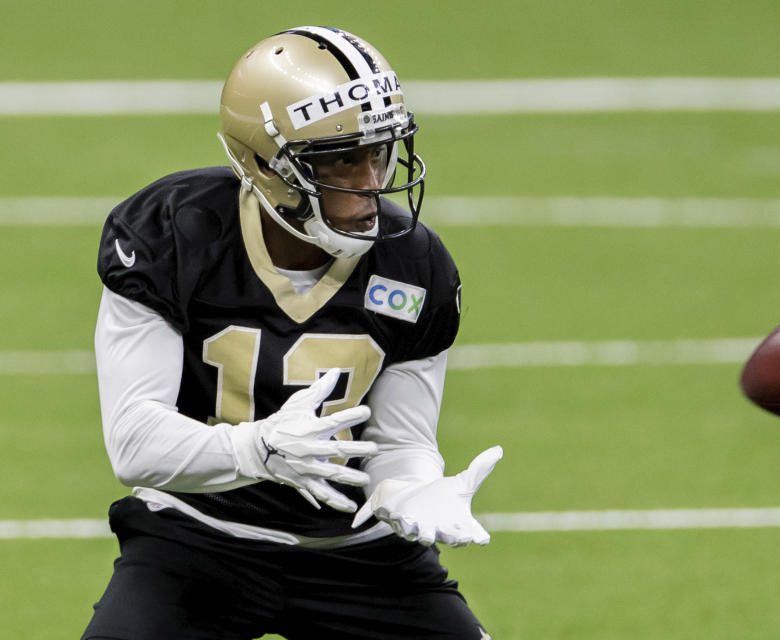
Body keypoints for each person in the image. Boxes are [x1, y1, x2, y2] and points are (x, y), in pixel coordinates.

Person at [83, 25, 501, 640]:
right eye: (340, 159)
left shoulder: (415, 263)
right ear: (265, 164)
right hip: (199, 539)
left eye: (379, 152)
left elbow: (400, 440)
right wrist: (255, 450)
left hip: (362, 555)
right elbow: (134, 441)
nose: (370, 182)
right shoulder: (173, 233)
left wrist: (414, 487)